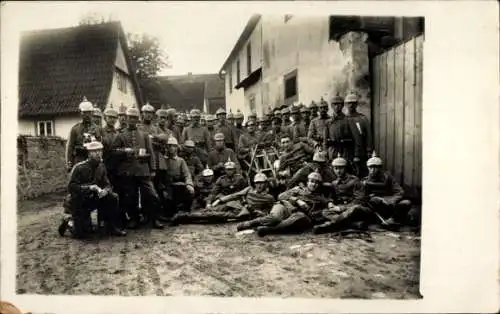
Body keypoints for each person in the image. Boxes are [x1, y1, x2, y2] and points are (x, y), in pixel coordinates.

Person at [58, 141, 126, 239]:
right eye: (95, 152)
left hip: (94, 198)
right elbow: (71, 187)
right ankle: (68, 221)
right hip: (80, 201)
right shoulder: (79, 167)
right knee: (81, 234)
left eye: (100, 151)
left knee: (113, 197)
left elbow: (108, 185)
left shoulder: (101, 166)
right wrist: (89, 187)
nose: (98, 153)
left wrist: (105, 191)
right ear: (89, 154)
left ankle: (111, 226)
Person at [111, 107, 164, 229]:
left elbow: (150, 152)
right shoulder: (120, 135)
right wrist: (125, 151)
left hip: (143, 169)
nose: (132, 120)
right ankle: (134, 219)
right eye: (130, 118)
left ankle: (154, 219)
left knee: (151, 195)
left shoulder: (144, 135)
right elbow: (113, 152)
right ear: (126, 119)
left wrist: (153, 169)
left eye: (135, 118)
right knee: (131, 196)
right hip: (128, 171)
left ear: (138, 119)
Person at [236, 170, 333, 237]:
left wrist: (330, 205)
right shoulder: (297, 189)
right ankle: (250, 223)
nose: (313, 184)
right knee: (275, 217)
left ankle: (269, 229)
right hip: (285, 207)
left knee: (300, 216)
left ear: (319, 185)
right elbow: (280, 197)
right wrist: (297, 200)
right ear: (307, 182)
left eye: (316, 182)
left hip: (298, 216)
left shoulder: (320, 197)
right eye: (311, 181)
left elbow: (329, 204)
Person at [171, 172, 274, 225]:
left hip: (240, 213)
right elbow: (235, 195)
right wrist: (220, 200)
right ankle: (184, 214)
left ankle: (183, 217)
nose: (259, 185)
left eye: (261, 183)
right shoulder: (249, 189)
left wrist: (254, 211)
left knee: (213, 215)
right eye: (257, 183)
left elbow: (267, 214)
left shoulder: (269, 198)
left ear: (265, 184)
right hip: (234, 204)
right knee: (210, 210)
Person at [312, 154, 369, 234]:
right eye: (336, 168)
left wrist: (341, 208)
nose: (338, 171)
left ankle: (329, 226)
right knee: (325, 212)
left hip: (358, 209)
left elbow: (360, 200)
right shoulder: (334, 183)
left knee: (355, 208)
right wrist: (331, 204)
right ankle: (352, 224)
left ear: (345, 168)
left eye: (341, 168)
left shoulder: (355, 181)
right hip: (344, 211)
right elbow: (332, 198)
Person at [360, 151, 418, 227]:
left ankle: (392, 219)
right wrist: (372, 197)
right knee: (373, 201)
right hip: (376, 207)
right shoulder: (365, 181)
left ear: (380, 168)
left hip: (390, 204)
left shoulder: (388, 178)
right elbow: (361, 197)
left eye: (376, 167)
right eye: (371, 167)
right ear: (368, 168)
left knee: (406, 202)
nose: (373, 170)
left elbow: (399, 192)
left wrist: (391, 200)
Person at [160, 136, 195, 215]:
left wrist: (189, 184)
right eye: (169, 146)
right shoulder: (162, 160)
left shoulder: (180, 161)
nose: (171, 148)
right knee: (167, 208)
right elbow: (159, 177)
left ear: (176, 148)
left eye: (174, 146)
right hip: (166, 186)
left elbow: (187, 174)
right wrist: (163, 188)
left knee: (189, 192)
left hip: (177, 185)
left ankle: (184, 211)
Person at [66, 97, 103, 172]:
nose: (87, 115)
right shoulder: (75, 129)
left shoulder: (98, 129)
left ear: (92, 113)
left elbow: (101, 145)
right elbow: (70, 147)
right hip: (79, 159)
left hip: (94, 159)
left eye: (89, 112)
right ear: (80, 113)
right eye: (84, 112)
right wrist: (69, 163)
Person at [345, 92, 373, 177]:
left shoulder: (362, 119)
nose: (351, 105)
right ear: (345, 104)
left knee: (360, 172)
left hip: (360, 150)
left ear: (356, 104)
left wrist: (369, 149)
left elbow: (368, 135)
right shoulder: (343, 118)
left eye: (353, 103)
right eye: (349, 103)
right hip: (347, 150)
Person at [324, 94, 355, 164]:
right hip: (332, 151)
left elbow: (354, 138)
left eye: (339, 104)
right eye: (334, 104)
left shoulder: (348, 120)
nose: (337, 106)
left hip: (346, 151)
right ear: (331, 106)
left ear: (343, 105)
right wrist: (325, 152)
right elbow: (325, 140)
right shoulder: (328, 122)